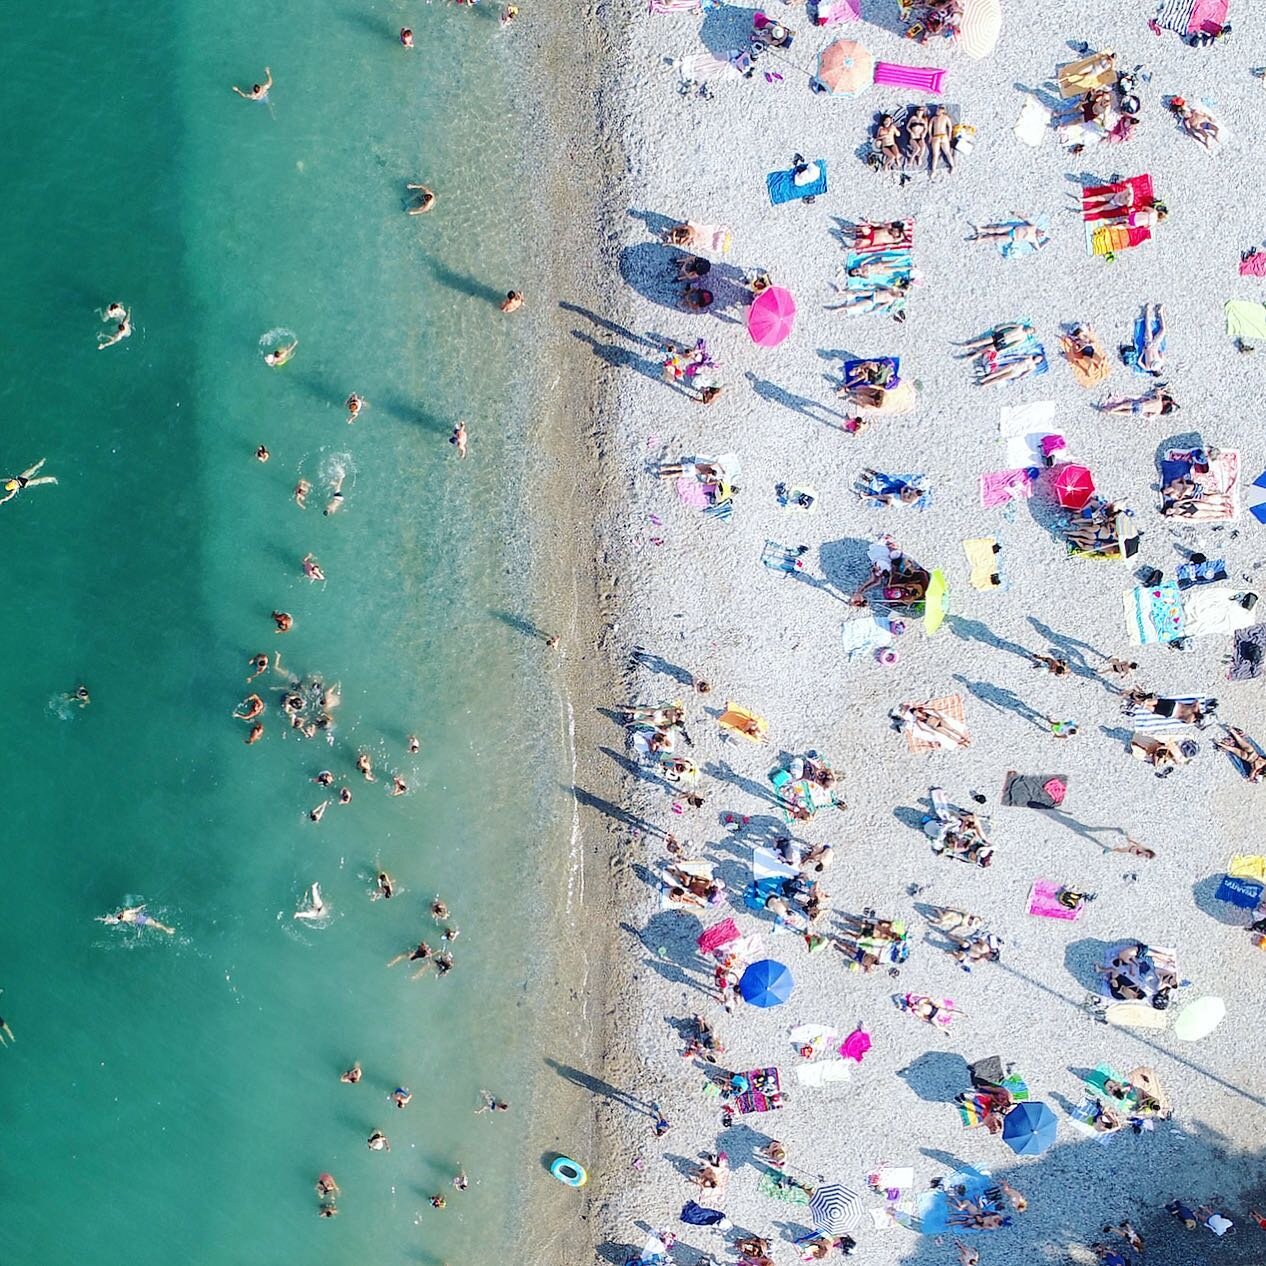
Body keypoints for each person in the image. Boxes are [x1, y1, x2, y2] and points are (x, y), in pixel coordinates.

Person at [957, 323, 1036, 356]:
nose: (1029, 330)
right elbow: (1008, 326)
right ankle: (967, 346)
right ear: (1028, 327)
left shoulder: (1023, 338)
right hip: (1001, 336)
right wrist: (999, 328)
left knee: (986, 350)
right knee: (983, 341)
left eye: (1030, 331)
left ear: (1030, 334)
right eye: (1029, 328)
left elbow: (1014, 344)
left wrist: (1004, 349)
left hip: (1004, 342)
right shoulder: (1020, 326)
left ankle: (971, 357)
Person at [98, 906, 175, 935]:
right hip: (140, 918)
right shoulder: (126, 912)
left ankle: (164, 929)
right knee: (155, 923)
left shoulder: (122, 919)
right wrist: (142, 906)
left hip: (137, 921)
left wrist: (102, 919)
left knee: (153, 924)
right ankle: (167, 930)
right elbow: (136, 910)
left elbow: (112, 920)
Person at [976, 353, 1043, 385]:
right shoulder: (1029, 357)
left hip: (1016, 372)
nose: (1037, 358)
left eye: (1039, 359)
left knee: (1001, 378)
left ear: (1039, 362)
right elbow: (1018, 356)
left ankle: (986, 384)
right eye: (1038, 356)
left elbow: (1026, 373)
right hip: (1013, 366)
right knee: (998, 373)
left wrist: (1019, 378)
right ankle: (984, 379)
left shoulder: (1033, 367)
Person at [929, 105, 954, 172]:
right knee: (935, 154)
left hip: (943, 136)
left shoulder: (946, 118)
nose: (938, 110)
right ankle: (933, 170)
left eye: (939, 109)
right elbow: (930, 127)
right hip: (936, 136)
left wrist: (949, 136)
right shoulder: (934, 118)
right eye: (937, 109)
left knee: (947, 152)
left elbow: (950, 127)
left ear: (943, 111)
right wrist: (930, 136)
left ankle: (953, 166)